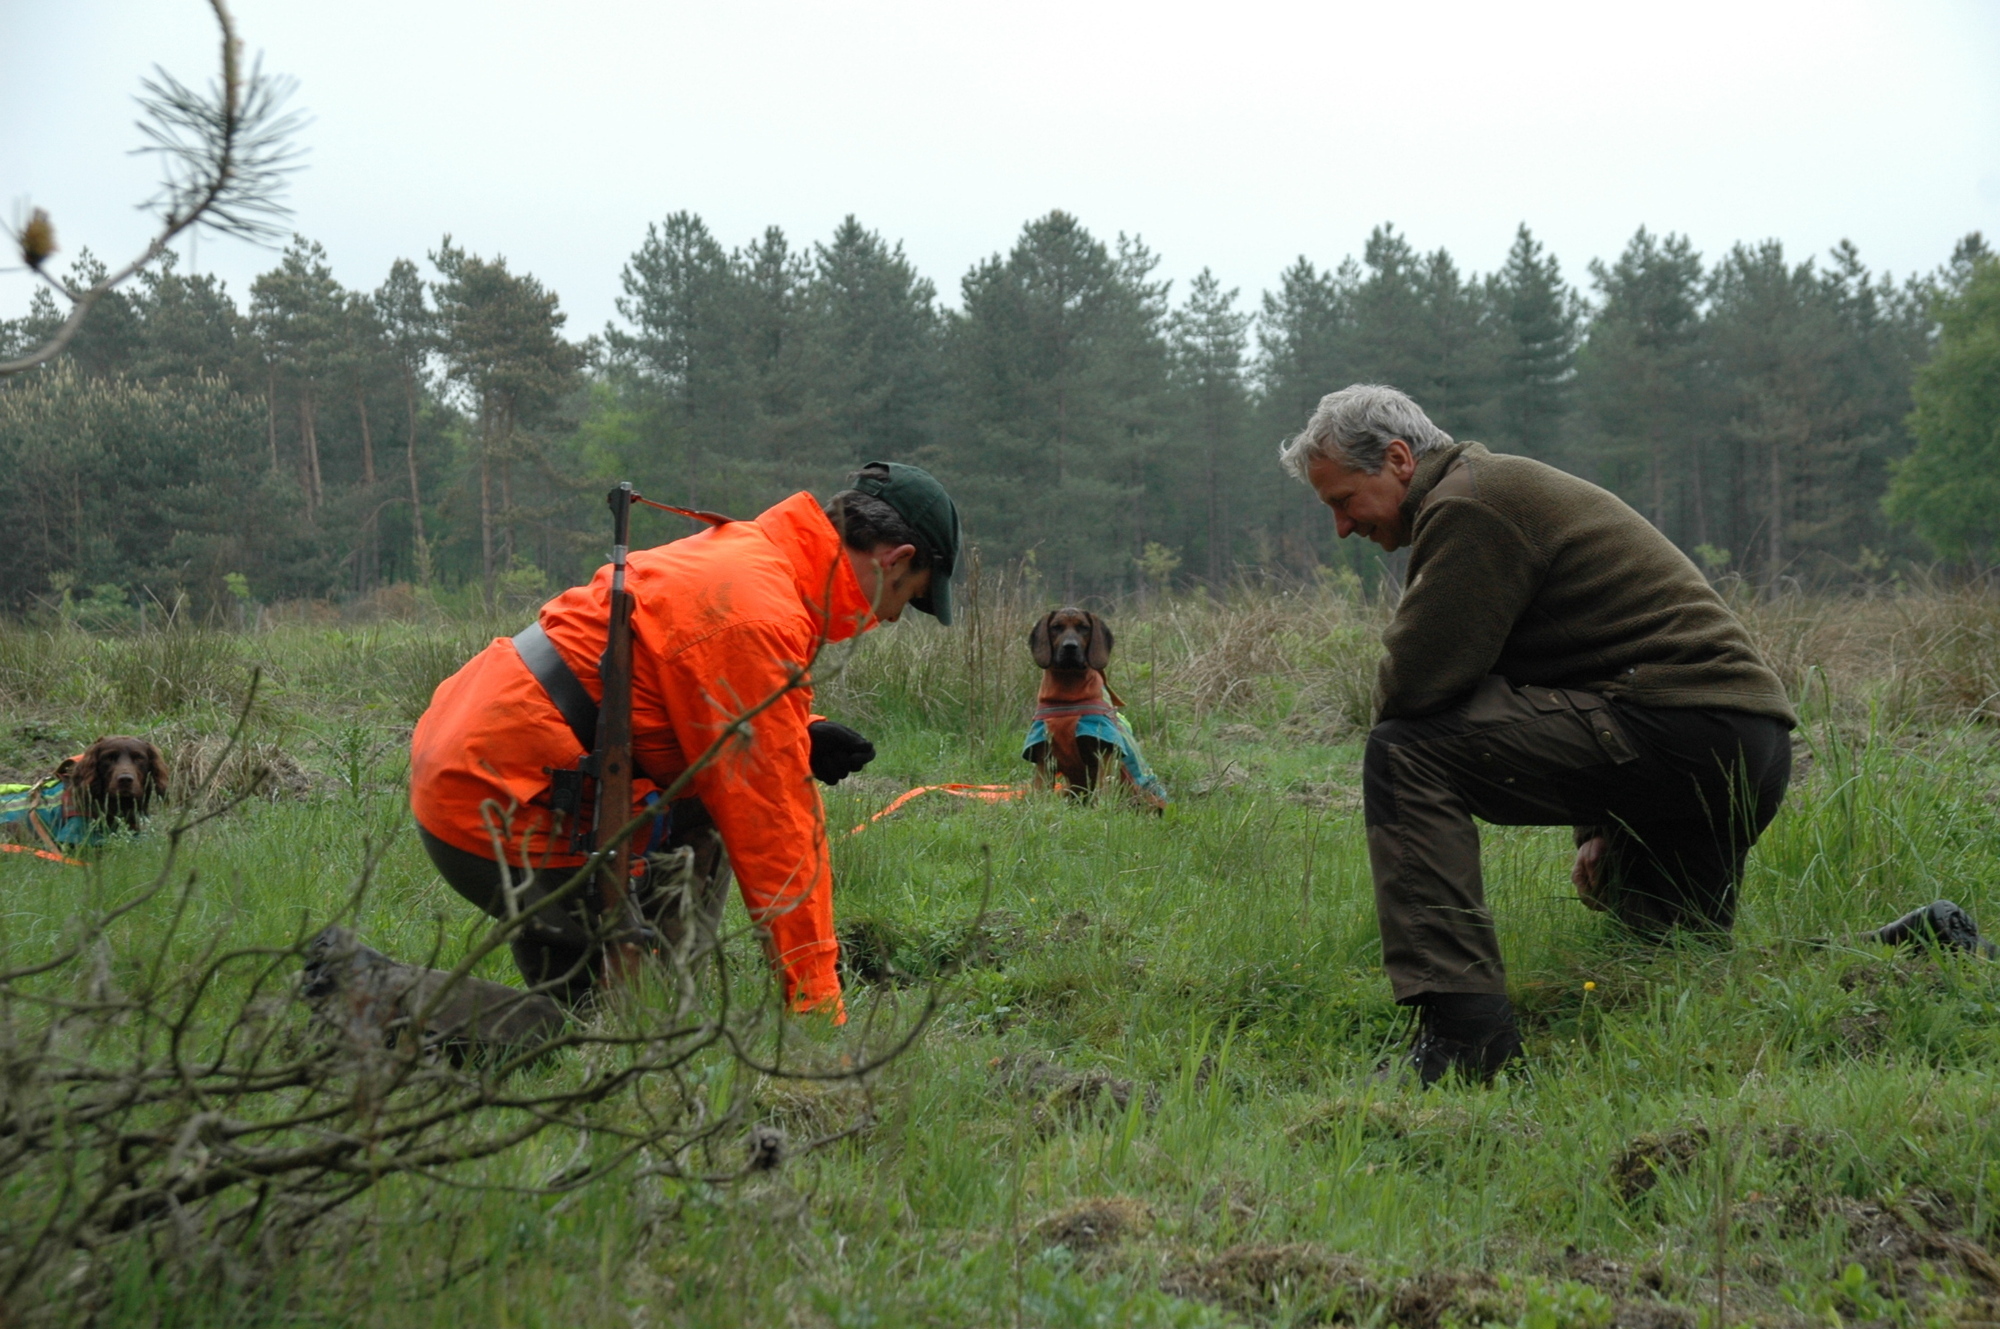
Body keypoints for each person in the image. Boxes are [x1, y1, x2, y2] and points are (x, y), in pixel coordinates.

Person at [1280, 385, 1795, 1085]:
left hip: (1680, 729)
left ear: (1399, 458)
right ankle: (1914, 941)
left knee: (1405, 752)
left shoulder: (1467, 502)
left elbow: (1416, 681)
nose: (1342, 527)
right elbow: (1586, 656)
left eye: (1342, 501)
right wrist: (1601, 821)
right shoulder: (1492, 487)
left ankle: (1465, 1043)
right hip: (1740, 745)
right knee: (1676, 961)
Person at [409, 462, 962, 1018]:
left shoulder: (750, 557)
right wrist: (816, 1002)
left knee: (609, 1011)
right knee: (610, 1032)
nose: (891, 619)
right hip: (499, 802)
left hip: (485, 757)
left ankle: (623, 988)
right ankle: (386, 999)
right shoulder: (757, 613)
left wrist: (804, 732)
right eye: (909, 598)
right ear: (896, 560)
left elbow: (673, 684)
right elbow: (776, 829)